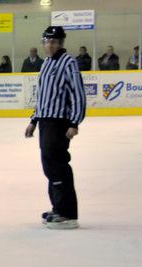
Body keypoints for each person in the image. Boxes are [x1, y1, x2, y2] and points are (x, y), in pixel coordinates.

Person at [24, 26, 86, 230]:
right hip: (45, 121)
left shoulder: (68, 62)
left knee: (58, 165)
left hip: (59, 123)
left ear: (61, 43)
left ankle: (67, 213)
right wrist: (34, 120)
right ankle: (57, 207)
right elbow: (42, 96)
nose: (50, 45)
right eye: (47, 41)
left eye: (54, 41)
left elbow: (78, 93)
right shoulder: (46, 63)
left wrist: (74, 123)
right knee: (49, 166)